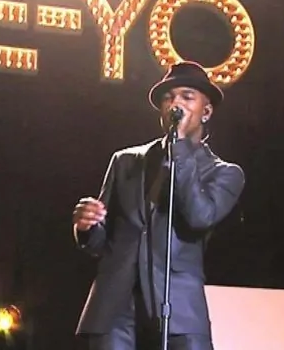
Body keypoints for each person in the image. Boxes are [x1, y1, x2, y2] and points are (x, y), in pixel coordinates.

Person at [71, 61, 246, 350]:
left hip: (179, 310)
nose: (176, 103)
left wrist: (180, 148)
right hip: (116, 310)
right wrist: (87, 227)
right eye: (168, 97)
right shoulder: (126, 161)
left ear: (206, 111)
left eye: (187, 97)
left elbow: (200, 216)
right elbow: (102, 243)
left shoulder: (224, 173)